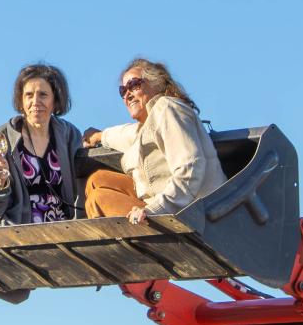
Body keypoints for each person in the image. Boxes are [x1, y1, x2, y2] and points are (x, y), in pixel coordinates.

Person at [82, 58, 226, 225]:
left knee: (99, 199)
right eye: (123, 90)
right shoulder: (146, 126)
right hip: (165, 207)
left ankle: (114, 249)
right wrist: (99, 136)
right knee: (97, 180)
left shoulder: (167, 108)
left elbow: (190, 167)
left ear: (156, 84)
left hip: (192, 214)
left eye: (134, 85)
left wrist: (156, 210)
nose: (127, 94)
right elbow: (124, 135)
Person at [0, 63, 84, 226]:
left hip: (63, 230)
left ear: (56, 99)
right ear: (21, 100)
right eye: (29, 95)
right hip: (17, 231)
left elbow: (81, 189)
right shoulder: (2, 137)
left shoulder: (69, 135)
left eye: (43, 95)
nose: (35, 102)